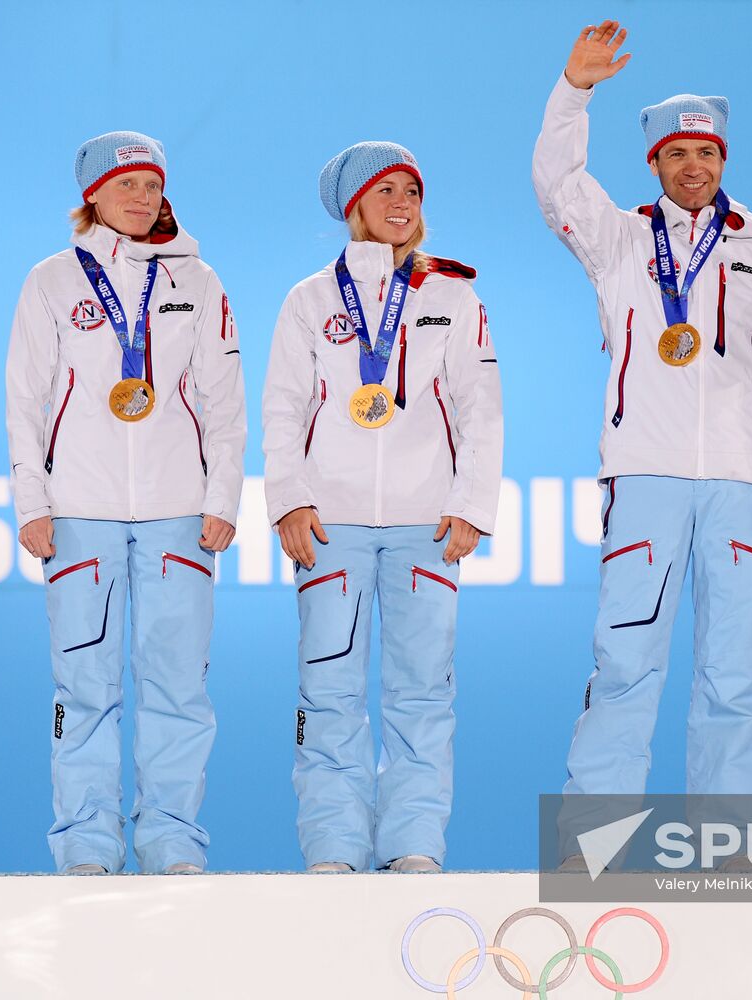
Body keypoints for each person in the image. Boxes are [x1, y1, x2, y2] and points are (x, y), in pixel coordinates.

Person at [533, 21, 752, 858]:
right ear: (653, 163)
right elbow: (554, 181)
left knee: (737, 674)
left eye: (708, 155)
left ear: (724, 161)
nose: (695, 168)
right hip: (642, 472)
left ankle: (724, 855)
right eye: (679, 155)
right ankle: (592, 855)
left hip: (742, 480)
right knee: (626, 664)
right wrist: (573, 91)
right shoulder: (615, 239)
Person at [6, 131, 247, 874]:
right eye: (126, 186)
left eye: (152, 186)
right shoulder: (51, 280)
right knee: (84, 688)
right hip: (79, 509)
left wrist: (223, 496)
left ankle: (172, 840)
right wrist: (31, 501)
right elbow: (26, 399)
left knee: (177, 685)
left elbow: (223, 399)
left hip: (179, 509)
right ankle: (85, 845)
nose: (142, 199)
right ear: (92, 196)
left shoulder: (198, 282)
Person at [263, 141, 503, 873]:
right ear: (352, 207)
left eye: (412, 191)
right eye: (385, 191)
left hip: (425, 523)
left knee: (421, 693)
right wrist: (289, 500)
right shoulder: (308, 300)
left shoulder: (454, 296)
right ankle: (332, 849)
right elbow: (281, 408)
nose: (402, 204)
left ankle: (413, 847)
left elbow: (480, 410)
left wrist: (470, 503)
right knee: (328, 690)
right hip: (328, 524)